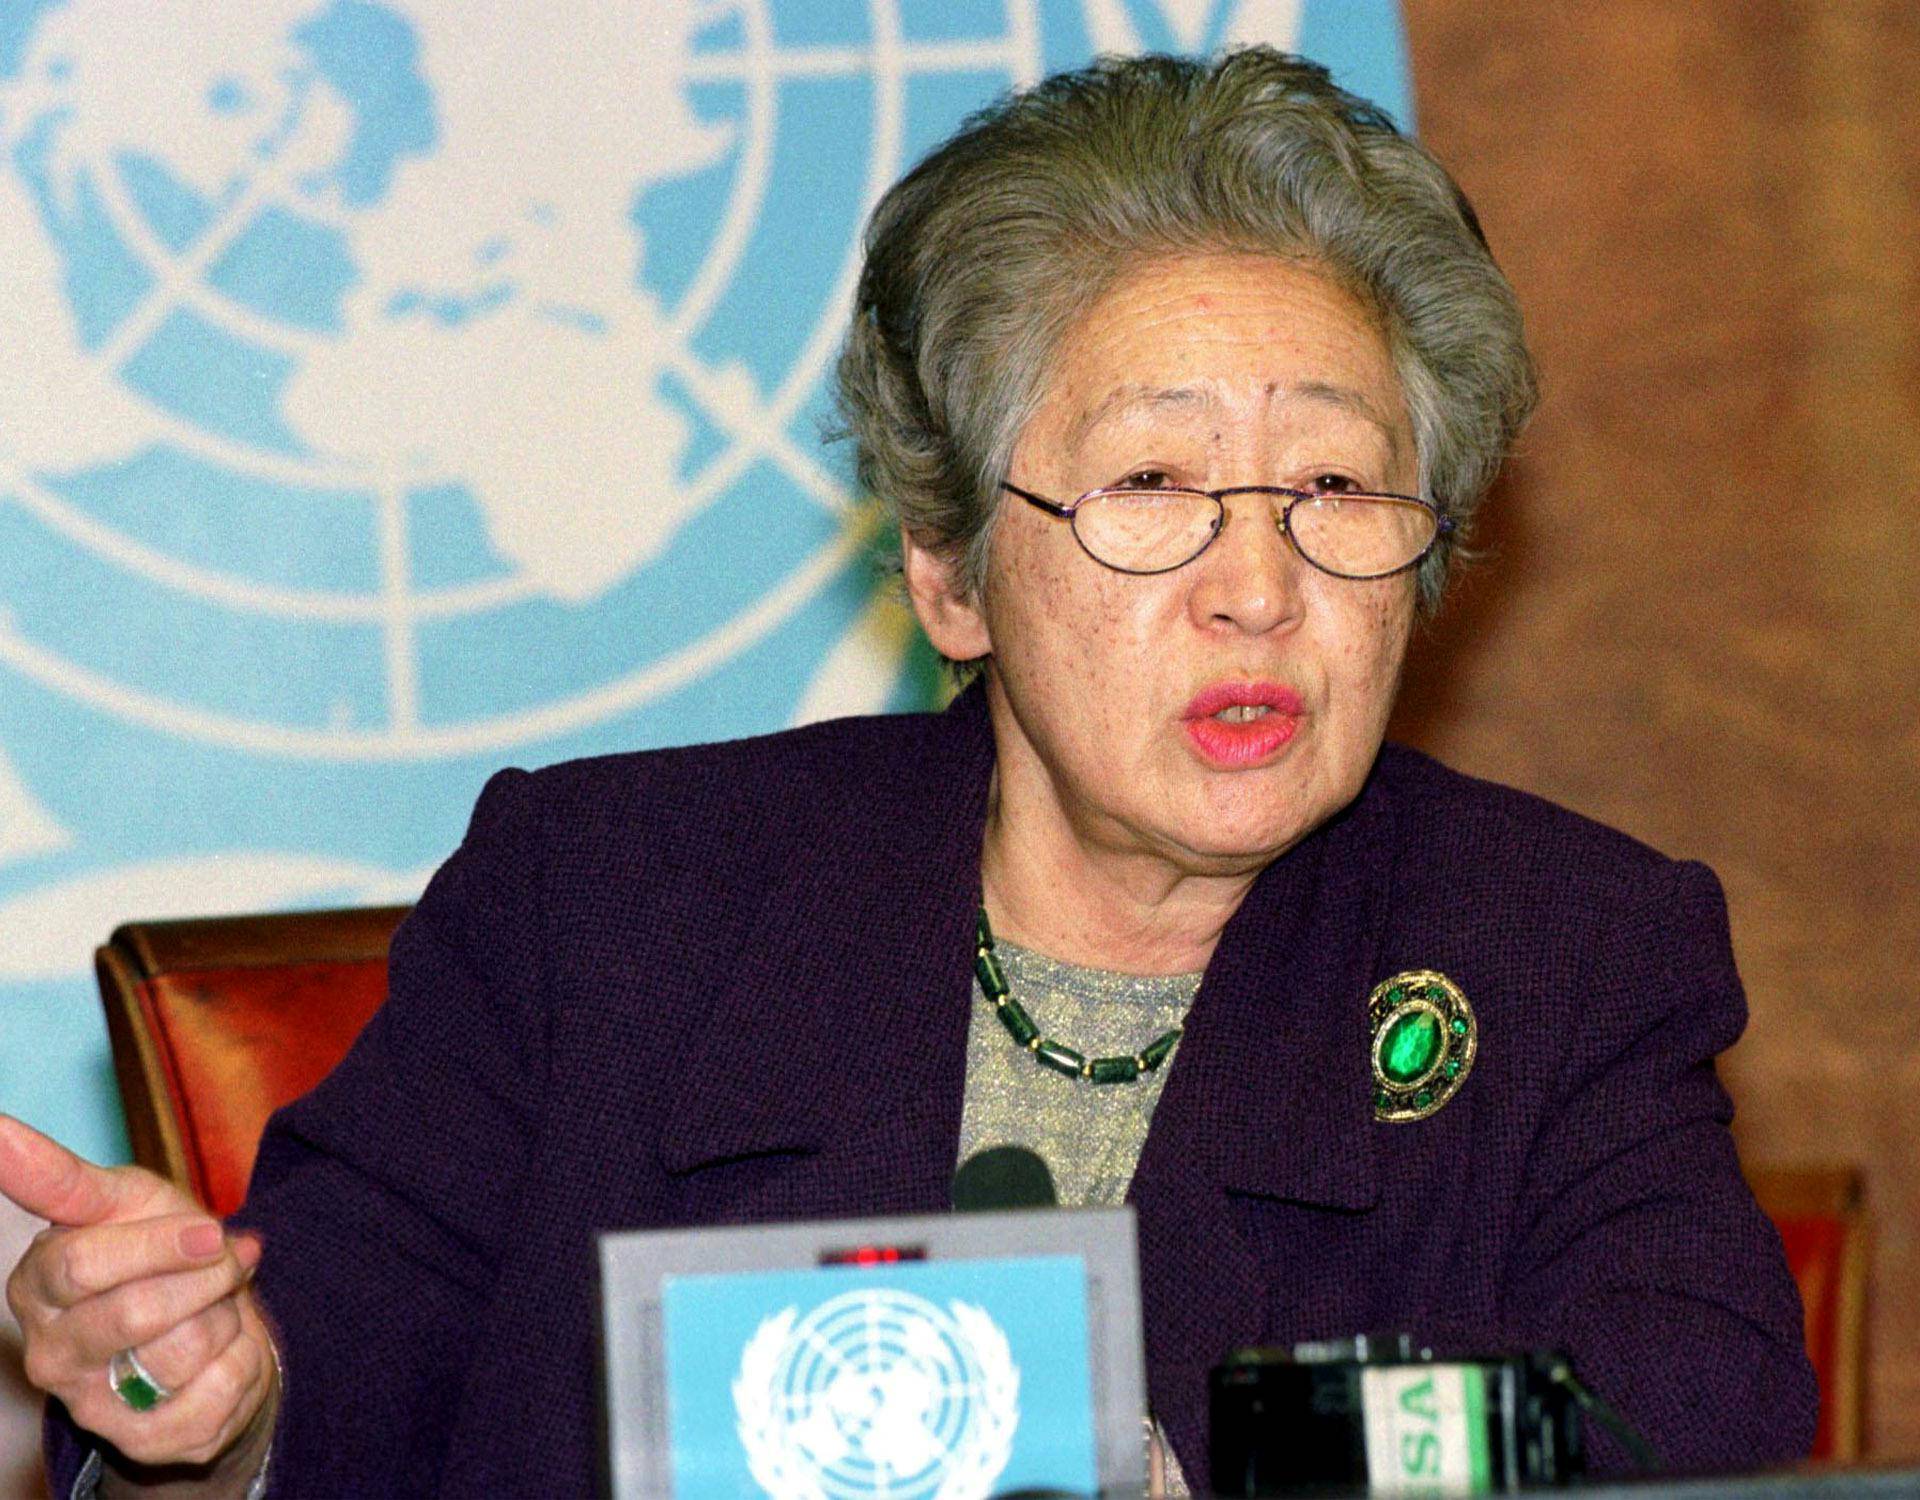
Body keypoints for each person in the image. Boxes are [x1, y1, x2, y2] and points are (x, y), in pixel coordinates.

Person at [4, 48, 1815, 1498]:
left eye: (1336, 492)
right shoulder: (609, 901)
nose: (1259, 587)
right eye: (1153, 490)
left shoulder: (1561, 957)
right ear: (949, 575)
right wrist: (208, 1415)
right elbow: (305, 1421)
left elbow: (1696, 1450)